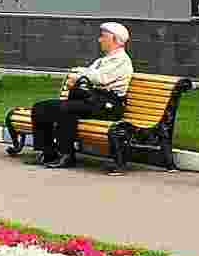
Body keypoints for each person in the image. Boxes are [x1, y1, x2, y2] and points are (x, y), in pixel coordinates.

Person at [28, 22, 133, 168]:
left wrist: (79, 75)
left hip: (108, 106)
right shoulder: (103, 60)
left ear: (115, 39)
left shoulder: (121, 60)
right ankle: (48, 153)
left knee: (66, 110)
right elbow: (88, 74)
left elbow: (99, 78)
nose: (100, 40)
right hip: (93, 102)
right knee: (40, 108)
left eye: (103, 36)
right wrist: (80, 75)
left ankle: (67, 155)